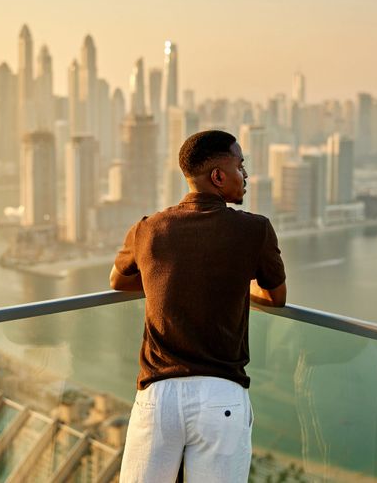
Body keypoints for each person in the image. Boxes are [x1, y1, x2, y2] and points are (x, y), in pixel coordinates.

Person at [110, 130, 287, 482]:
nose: (246, 175)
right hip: (221, 397)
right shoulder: (255, 230)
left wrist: (167, 282)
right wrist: (232, 287)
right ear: (218, 176)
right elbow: (275, 297)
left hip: (158, 397)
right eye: (240, 165)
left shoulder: (149, 229)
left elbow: (117, 280)